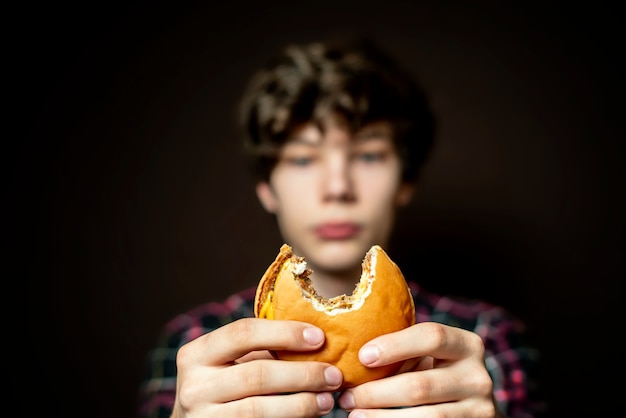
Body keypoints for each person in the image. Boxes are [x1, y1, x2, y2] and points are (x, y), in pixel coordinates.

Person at [138, 36, 545, 418]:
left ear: (404, 182)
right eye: (301, 159)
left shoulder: (486, 341)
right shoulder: (196, 345)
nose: (337, 188)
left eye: (368, 155)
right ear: (266, 188)